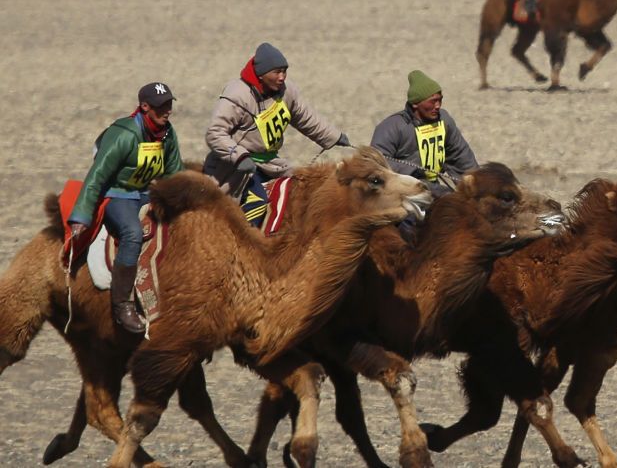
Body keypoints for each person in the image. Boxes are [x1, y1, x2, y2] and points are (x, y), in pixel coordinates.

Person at [68, 83, 183, 334]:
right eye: (162, 106)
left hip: (144, 193)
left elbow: (174, 173)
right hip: (118, 195)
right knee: (132, 233)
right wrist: (81, 215)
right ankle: (122, 304)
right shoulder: (124, 134)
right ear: (144, 107)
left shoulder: (167, 133)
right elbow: (97, 176)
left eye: (169, 105)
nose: (168, 111)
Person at [203, 42, 349, 227]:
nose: (282, 77)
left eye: (284, 71)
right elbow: (215, 132)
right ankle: (246, 246)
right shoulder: (237, 95)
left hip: (270, 163)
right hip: (236, 169)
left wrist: (335, 136)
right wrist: (239, 157)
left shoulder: (286, 91)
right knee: (257, 202)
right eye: (276, 72)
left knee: (297, 195)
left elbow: (306, 117)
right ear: (262, 74)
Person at [371, 70, 478, 188]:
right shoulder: (391, 127)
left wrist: (476, 183)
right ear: (415, 103)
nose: (437, 106)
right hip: (401, 191)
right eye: (432, 101)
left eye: (440, 100)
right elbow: (376, 164)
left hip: (432, 186)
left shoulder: (444, 120)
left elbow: (460, 154)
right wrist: (413, 170)